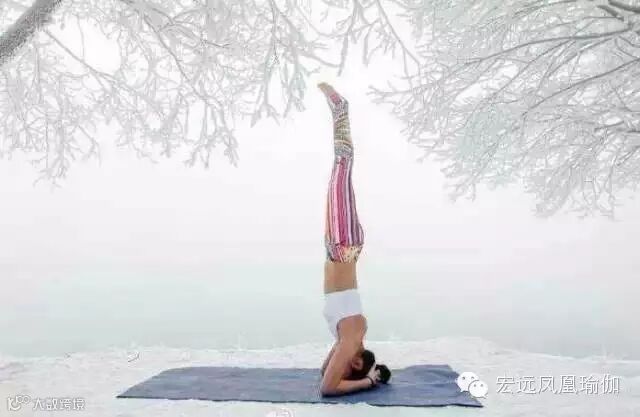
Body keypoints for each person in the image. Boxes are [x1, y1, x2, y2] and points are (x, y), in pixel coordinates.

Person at [316, 82, 391, 396]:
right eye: (349, 368)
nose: (340, 367)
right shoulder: (351, 339)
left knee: (339, 174)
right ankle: (341, 111)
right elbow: (328, 387)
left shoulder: (347, 340)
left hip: (338, 249)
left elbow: (325, 373)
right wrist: (367, 382)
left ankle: (340, 112)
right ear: (357, 362)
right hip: (344, 246)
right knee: (342, 167)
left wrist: (371, 374)